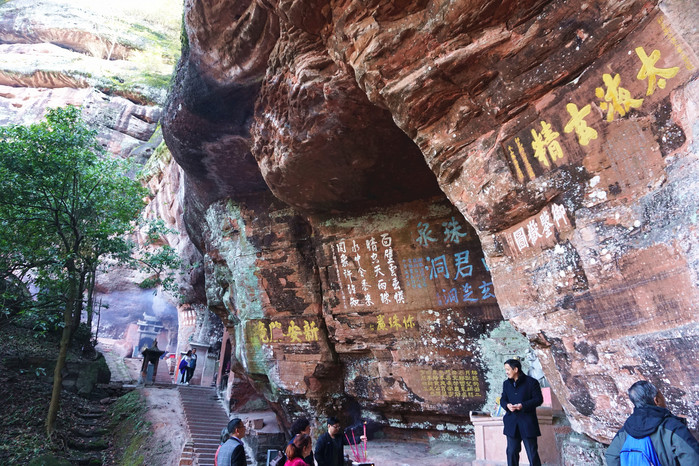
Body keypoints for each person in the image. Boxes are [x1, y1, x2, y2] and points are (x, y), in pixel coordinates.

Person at [605, 380, 699, 465]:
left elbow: (611, 456)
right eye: (660, 394)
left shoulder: (626, 430)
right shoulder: (672, 427)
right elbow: (693, 458)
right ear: (656, 400)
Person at [500, 358, 543, 466]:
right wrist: (507, 405)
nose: (506, 372)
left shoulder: (532, 382)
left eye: (508, 369)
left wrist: (522, 405)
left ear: (516, 369)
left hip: (527, 423)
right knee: (511, 452)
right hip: (511, 423)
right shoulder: (506, 384)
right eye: (505, 369)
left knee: (532, 454)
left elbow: (538, 399)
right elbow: (503, 399)